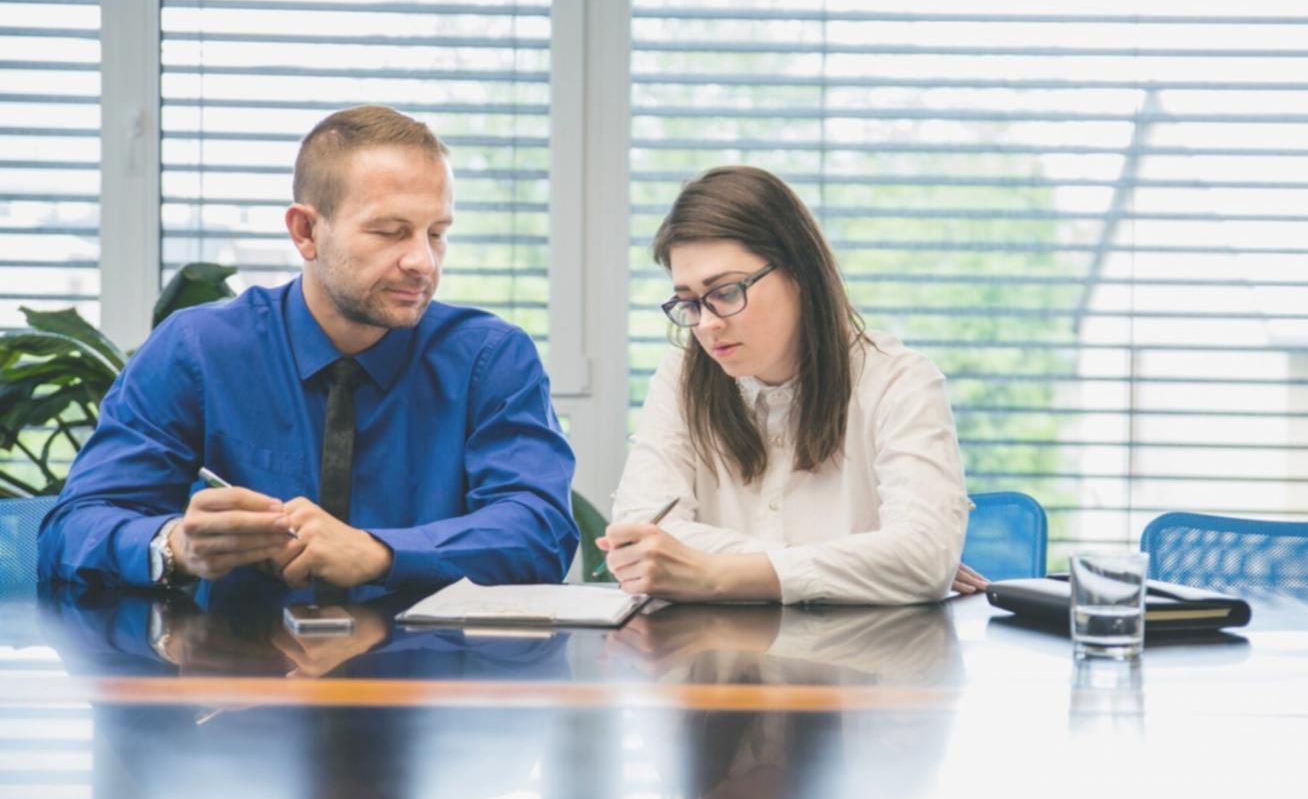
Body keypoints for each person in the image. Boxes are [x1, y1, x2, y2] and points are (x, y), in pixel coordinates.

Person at [38, 105, 577, 591]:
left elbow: (539, 530)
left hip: (429, 681)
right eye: (391, 232)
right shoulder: (196, 350)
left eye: (436, 233)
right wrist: (172, 544)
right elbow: (73, 527)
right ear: (305, 232)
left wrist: (379, 553)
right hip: (236, 681)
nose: (423, 262)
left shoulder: (491, 359)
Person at [598, 166, 986, 604]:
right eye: (688, 302)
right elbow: (642, 538)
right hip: (710, 663)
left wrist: (712, 574)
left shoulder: (899, 380)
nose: (706, 325)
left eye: (725, 293)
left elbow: (922, 558)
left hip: (862, 663)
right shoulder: (681, 377)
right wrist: (860, 563)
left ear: (800, 273)